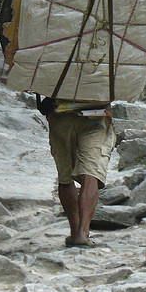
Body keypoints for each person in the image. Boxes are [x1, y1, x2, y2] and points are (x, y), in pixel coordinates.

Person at [38, 96, 116, 247]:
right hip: (95, 115)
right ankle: (83, 233)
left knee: (65, 177)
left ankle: (74, 232)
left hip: (60, 117)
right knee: (90, 175)